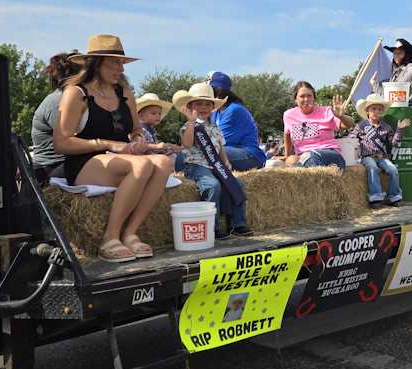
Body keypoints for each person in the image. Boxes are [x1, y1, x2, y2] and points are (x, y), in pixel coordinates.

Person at [55, 35, 174, 263]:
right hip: (85, 161)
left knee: (164, 162)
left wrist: (138, 140)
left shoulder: (124, 93)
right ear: (96, 64)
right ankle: (110, 238)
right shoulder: (76, 93)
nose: (121, 68)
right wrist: (107, 144)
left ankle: (130, 233)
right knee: (142, 165)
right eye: (114, 63)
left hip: (123, 159)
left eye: (122, 63)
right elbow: (61, 143)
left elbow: (136, 129)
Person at [176, 82, 251, 239]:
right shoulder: (189, 126)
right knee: (212, 185)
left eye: (207, 104)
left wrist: (226, 161)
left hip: (216, 165)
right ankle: (212, 227)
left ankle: (237, 224)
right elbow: (187, 144)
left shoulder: (214, 126)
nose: (203, 108)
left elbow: (220, 146)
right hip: (197, 166)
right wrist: (191, 122)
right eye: (198, 104)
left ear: (212, 107)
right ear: (190, 107)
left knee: (236, 184)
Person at [30, 50, 81, 182]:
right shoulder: (59, 100)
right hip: (49, 170)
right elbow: (72, 139)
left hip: (64, 163)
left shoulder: (73, 98)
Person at [353, 93, 410, 208]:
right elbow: (352, 139)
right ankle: (376, 198)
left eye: (379, 109)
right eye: (374, 109)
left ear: (382, 112)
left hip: (382, 157)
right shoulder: (361, 126)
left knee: (393, 169)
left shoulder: (386, 127)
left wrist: (399, 129)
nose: (376, 112)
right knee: (372, 167)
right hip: (367, 157)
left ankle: (394, 197)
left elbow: (393, 143)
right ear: (367, 111)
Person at [282, 81, 353, 169]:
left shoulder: (326, 111)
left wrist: (341, 116)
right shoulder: (289, 115)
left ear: (314, 98)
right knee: (290, 160)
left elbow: (350, 124)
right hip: (303, 158)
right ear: (295, 99)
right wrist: (287, 156)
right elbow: (287, 134)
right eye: (302, 96)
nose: (306, 99)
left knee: (310, 156)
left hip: (330, 155)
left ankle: (308, 172)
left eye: (309, 96)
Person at [207, 71, 267, 172]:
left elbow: (218, 141)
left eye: (207, 90)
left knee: (210, 150)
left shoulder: (234, 110)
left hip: (251, 155)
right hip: (233, 151)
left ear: (217, 91)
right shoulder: (216, 112)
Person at [370, 38, 412, 105]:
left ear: (406, 54)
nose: (396, 55)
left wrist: (375, 85)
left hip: (407, 108)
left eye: (400, 53)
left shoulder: (411, 68)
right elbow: (389, 96)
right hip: (399, 107)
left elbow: (396, 91)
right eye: (395, 53)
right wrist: (374, 84)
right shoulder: (396, 72)